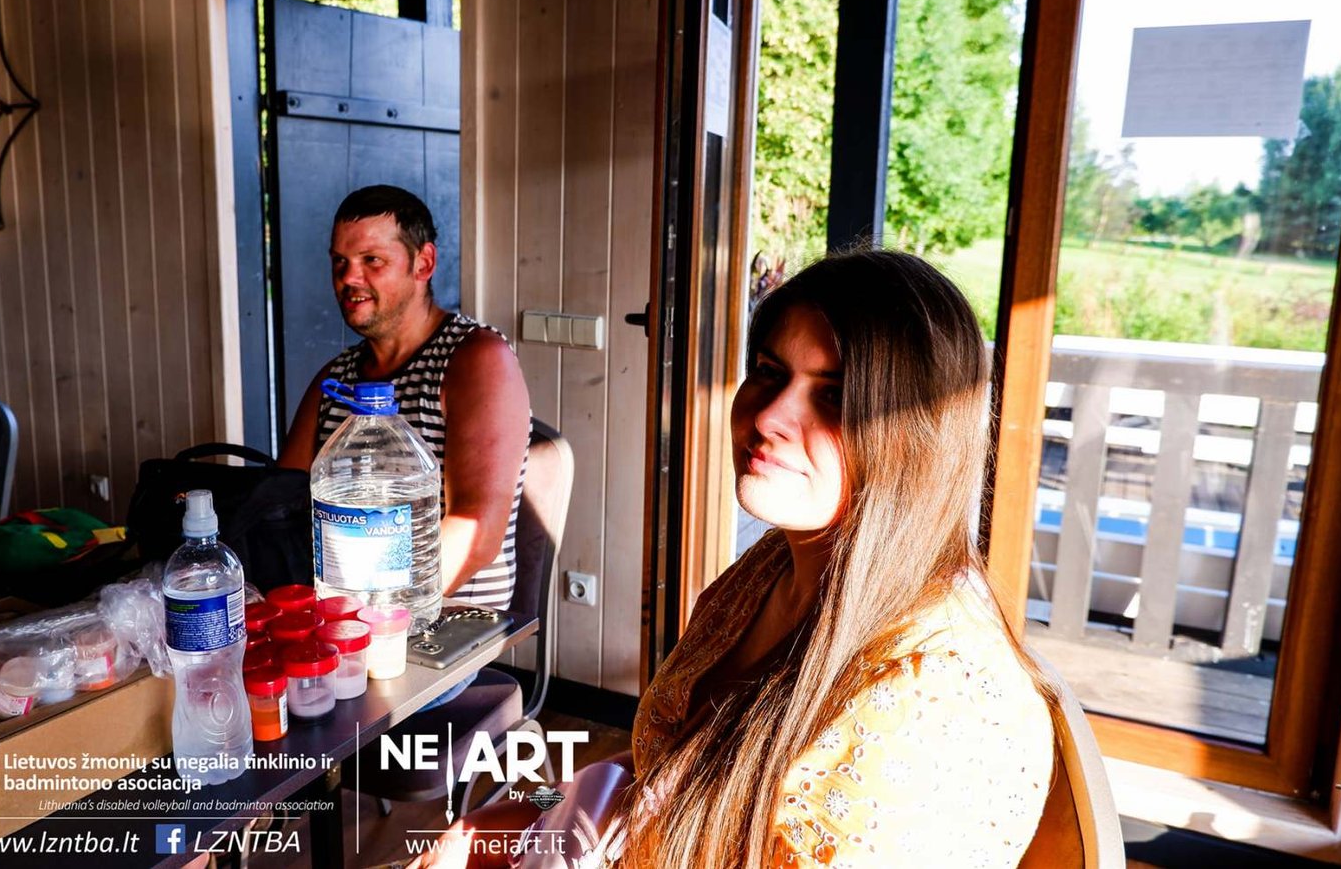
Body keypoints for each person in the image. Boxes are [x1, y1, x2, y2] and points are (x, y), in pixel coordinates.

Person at [410, 249, 1058, 868]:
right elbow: (660, 772)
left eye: (834, 396)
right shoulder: (775, 566)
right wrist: (512, 819)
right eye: (771, 371)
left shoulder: (931, 707)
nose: (771, 415)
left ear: (920, 437)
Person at [280, 185, 531, 704]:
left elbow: (476, 534)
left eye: (372, 260)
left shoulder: (475, 358)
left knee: (312, 720)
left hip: (441, 630)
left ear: (424, 263)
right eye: (340, 262)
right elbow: (280, 504)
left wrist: (378, 628)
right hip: (341, 620)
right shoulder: (336, 379)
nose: (349, 278)